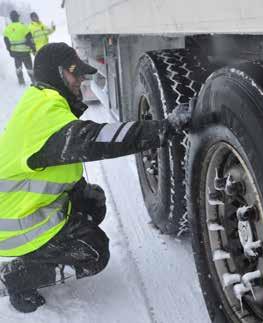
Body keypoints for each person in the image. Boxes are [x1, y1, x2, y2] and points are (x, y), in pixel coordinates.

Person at [0, 42, 191, 313]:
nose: (80, 80)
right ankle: (15, 277)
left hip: (23, 210)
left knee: (92, 202)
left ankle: (42, 252)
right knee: (93, 253)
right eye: (74, 73)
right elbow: (96, 140)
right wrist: (162, 129)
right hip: (13, 225)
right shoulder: (45, 110)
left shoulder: (41, 101)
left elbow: (54, 165)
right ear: (57, 73)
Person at [3, 10, 36, 85]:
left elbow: (6, 41)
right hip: (25, 52)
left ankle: (21, 82)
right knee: (29, 68)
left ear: (11, 18)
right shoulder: (23, 26)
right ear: (18, 17)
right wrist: (33, 48)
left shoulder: (8, 28)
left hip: (15, 53)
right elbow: (30, 39)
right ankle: (34, 82)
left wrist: (10, 51)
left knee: (18, 68)